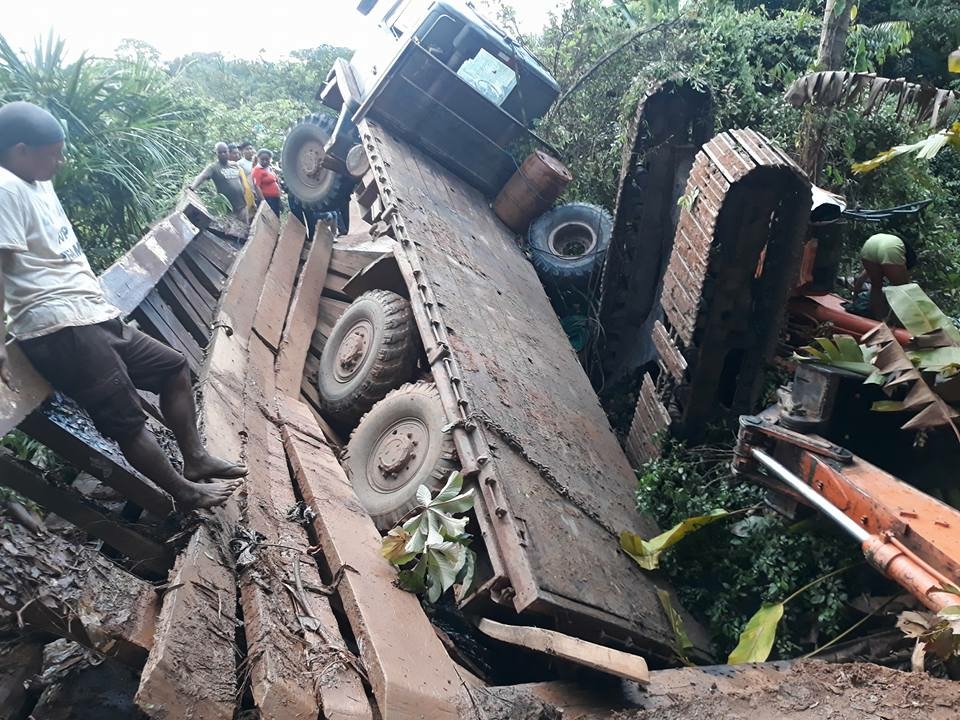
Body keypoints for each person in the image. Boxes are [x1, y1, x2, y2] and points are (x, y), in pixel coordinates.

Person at [0, 101, 245, 512]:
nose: (61, 160)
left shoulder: (35, 181)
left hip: (93, 315)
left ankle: (196, 459)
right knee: (127, 420)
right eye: (53, 152)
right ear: (20, 150)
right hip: (59, 328)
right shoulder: (5, 188)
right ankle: (183, 492)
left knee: (172, 368)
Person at [852, 232, 916, 319]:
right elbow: (902, 287)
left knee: (876, 286)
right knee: (902, 289)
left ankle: (878, 317)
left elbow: (861, 279)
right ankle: (899, 320)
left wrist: (854, 300)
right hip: (890, 248)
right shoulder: (899, 249)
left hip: (870, 244)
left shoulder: (888, 240)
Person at [189, 142, 257, 221]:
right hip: (228, 208)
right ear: (216, 154)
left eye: (225, 152)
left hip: (242, 205)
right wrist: (192, 187)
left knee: (245, 228)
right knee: (233, 231)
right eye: (220, 152)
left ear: (228, 152)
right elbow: (202, 176)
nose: (223, 154)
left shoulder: (234, 165)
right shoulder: (213, 167)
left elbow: (242, 182)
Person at [251, 149, 282, 218]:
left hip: (274, 199)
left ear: (270, 159)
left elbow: (276, 182)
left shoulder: (270, 169)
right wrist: (263, 202)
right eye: (262, 159)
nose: (265, 161)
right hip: (267, 200)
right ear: (258, 159)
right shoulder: (257, 170)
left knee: (276, 219)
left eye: (267, 159)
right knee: (268, 220)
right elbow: (257, 186)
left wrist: (279, 196)